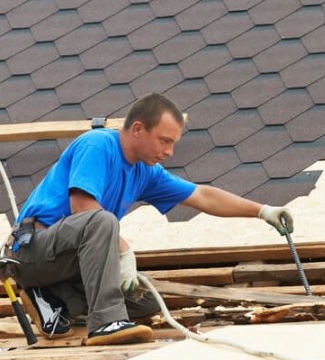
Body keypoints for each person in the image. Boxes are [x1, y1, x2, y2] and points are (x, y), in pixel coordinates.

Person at [7, 93, 293, 346]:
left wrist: (262, 210)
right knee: (103, 222)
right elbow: (83, 208)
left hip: (65, 263)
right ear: (138, 129)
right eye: (164, 141)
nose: (169, 152)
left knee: (143, 301)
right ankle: (105, 324)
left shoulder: (145, 171)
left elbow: (202, 196)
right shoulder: (97, 145)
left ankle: (51, 299)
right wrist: (124, 252)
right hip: (31, 252)